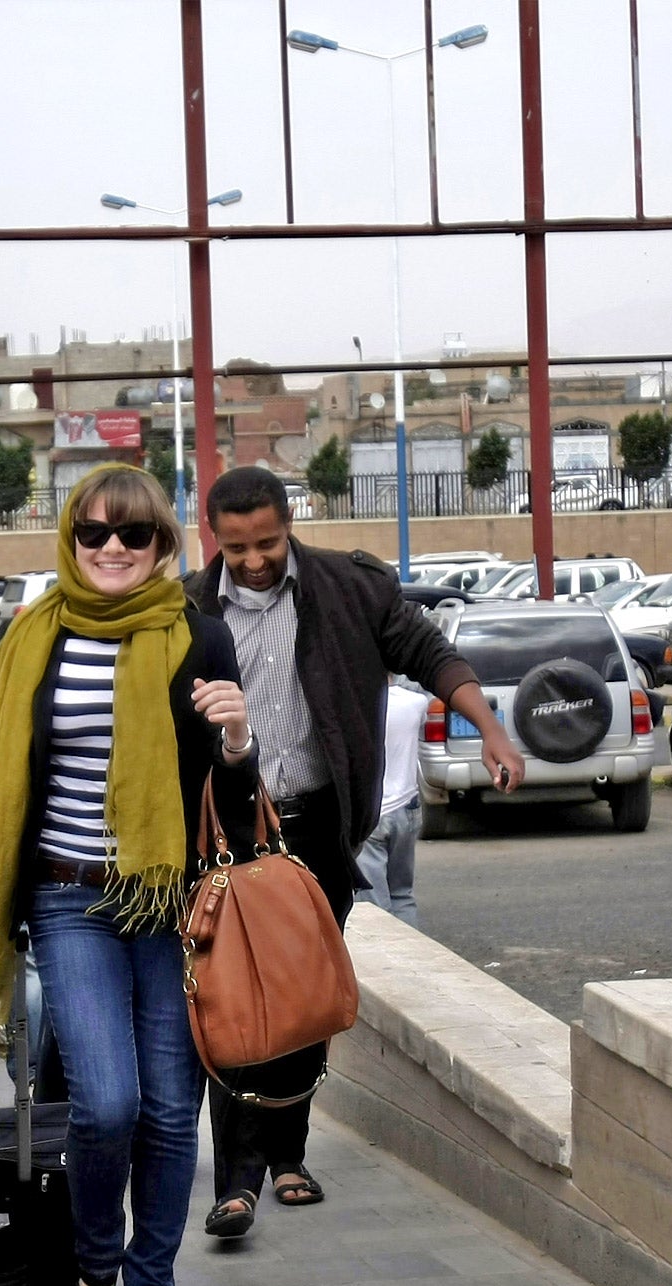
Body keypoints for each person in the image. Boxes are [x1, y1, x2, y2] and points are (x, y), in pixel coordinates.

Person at [0, 463, 254, 1286]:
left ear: (164, 545)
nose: (114, 549)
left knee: (172, 1113)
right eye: (94, 534)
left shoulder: (200, 639)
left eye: (134, 535)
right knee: (107, 1103)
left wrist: (240, 741)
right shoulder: (31, 641)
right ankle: (94, 1273)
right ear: (71, 542)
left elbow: (239, 813)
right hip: (66, 897)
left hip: (169, 906)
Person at [184, 466, 524, 1235]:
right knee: (232, 996)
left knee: (303, 999)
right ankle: (235, 1180)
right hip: (225, 835)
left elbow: (428, 652)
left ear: (289, 522)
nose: (253, 560)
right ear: (215, 538)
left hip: (315, 832)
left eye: (266, 542)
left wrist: (491, 728)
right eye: (236, 547)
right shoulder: (190, 607)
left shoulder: (347, 588)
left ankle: (287, 1155)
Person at [354, 677, 428, 929]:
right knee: (402, 893)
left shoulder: (356, 704)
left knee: (374, 901)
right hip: (408, 807)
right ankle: (416, 951)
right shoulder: (416, 703)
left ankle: (389, 957)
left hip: (373, 811)